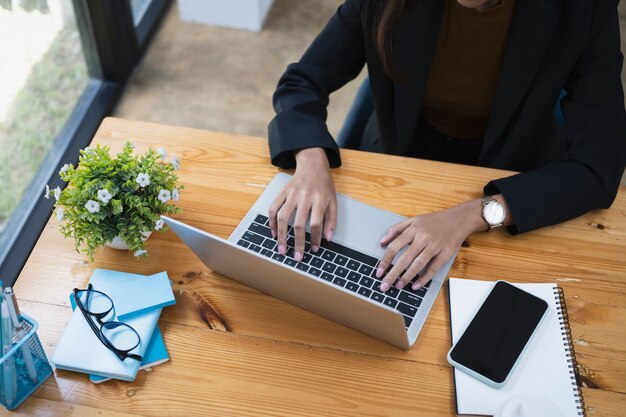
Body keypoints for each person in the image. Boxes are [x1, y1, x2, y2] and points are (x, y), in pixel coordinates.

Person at [266, 0, 626, 293]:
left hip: (509, 176)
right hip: (401, 154)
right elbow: (302, 81)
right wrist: (310, 158)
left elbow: (597, 170)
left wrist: (474, 215)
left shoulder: (586, 10)